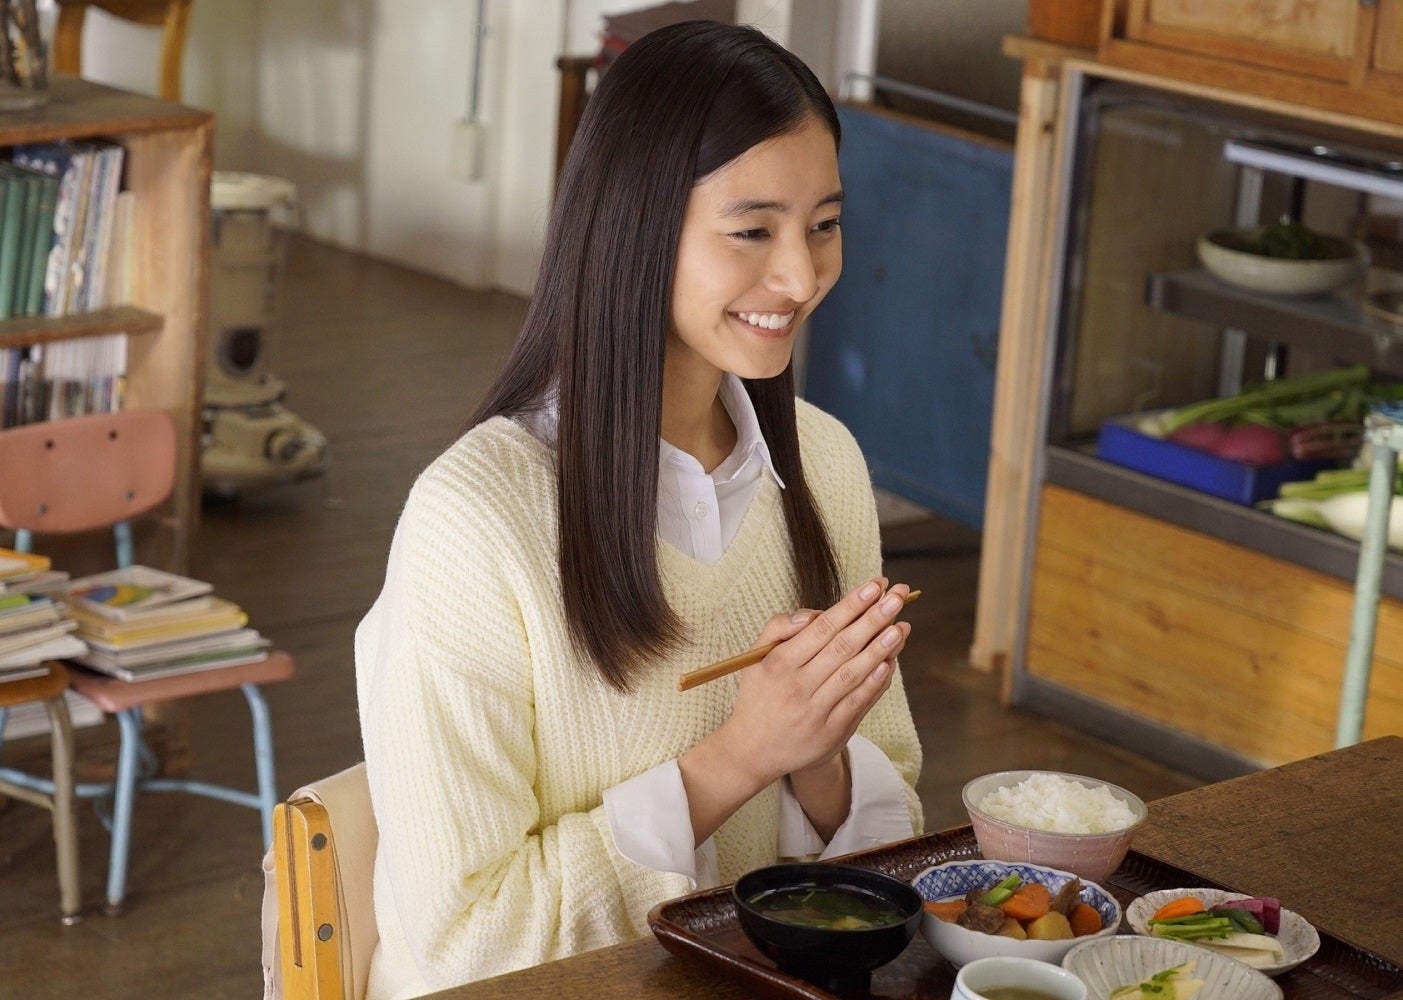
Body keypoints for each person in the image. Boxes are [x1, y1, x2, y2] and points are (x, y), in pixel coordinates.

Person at [355, 20, 924, 998]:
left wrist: (821, 759)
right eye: (752, 230)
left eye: (822, 223)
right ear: (634, 226)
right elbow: (466, 943)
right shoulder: (473, 521)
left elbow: (889, 847)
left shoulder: (823, 466)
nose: (798, 274)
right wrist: (743, 755)